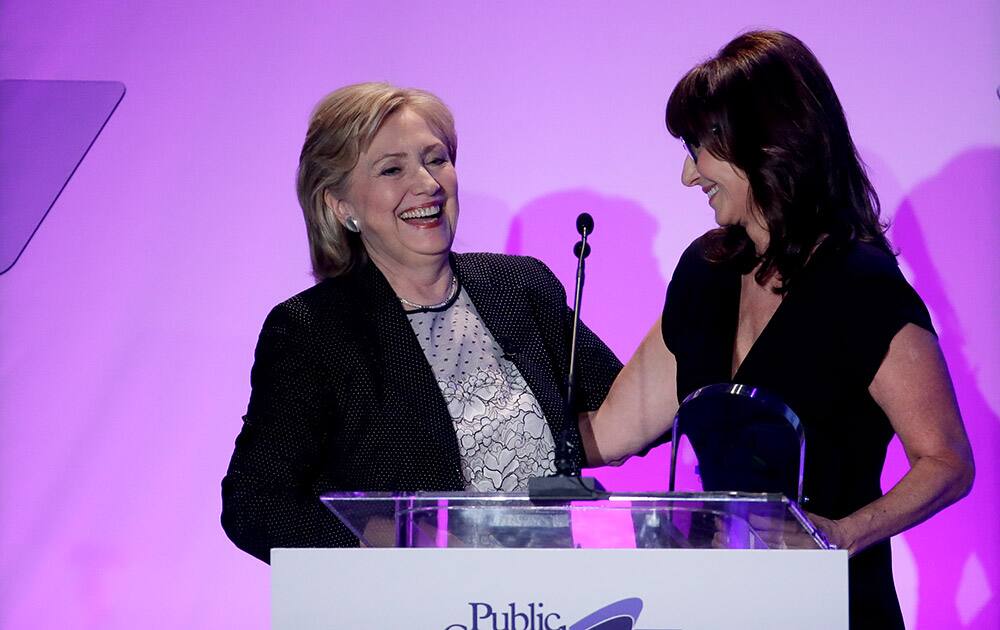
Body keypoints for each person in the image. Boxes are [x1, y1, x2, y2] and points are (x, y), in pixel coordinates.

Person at [581, 31, 974, 628]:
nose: (689, 176)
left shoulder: (859, 283)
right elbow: (613, 433)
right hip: (717, 609)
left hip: (836, 609)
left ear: (762, 141)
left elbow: (946, 461)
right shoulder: (704, 272)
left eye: (700, 150)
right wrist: (481, 439)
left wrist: (841, 535)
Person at [221, 83, 621, 562]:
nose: (428, 184)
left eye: (436, 160)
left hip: (547, 597)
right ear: (340, 206)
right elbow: (255, 504)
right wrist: (395, 539)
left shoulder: (517, 286)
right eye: (393, 169)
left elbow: (621, 412)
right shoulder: (312, 330)